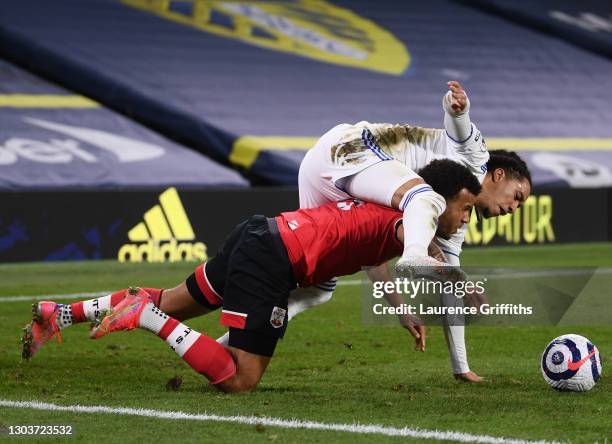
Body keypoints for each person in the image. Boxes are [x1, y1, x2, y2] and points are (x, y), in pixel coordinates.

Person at [22, 160, 480, 392]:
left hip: (261, 232)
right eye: (465, 208)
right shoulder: (415, 215)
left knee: (173, 298)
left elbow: (384, 259)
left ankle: (59, 315)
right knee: (241, 379)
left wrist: (404, 311)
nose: (465, 219)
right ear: (438, 200)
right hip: (275, 260)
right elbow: (416, 255)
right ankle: (145, 317)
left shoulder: (392, 210)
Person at [227, 81, 532, 383]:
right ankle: (414, 255)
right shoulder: (477, 160)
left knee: (315, 286)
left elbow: (377, 256)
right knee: (422, 198)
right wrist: (457, 108)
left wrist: (459, 365)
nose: (514, 207)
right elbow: (461, 129)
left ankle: (231, 346)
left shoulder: (451, 224)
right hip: (352, 149)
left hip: (323, 173)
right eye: (517, 196)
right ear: (499, 174)